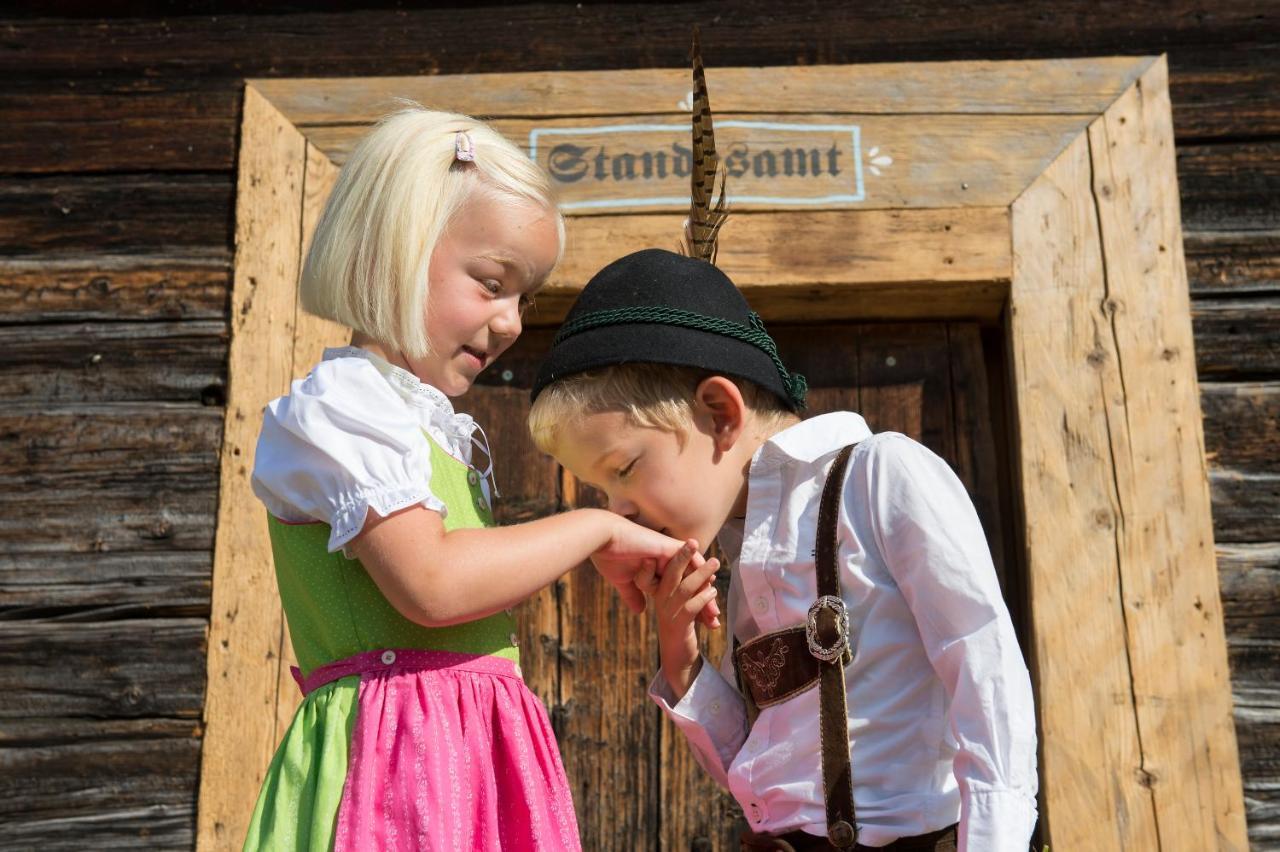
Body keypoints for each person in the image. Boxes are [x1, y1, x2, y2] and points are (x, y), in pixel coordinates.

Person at [243, 108, 709, 851]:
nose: (512, 322)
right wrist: (596, 526)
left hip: (464, 761)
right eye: (492, 284)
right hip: (393, 772)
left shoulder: (424, 429)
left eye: (524, 299)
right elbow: (432, 584)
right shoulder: (341, 409)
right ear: (395, 248)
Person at [527, 247, 1038, 851]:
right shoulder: (746, 552)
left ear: (720, 414)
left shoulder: (881, 477)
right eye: (602, 491)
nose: (620, 510)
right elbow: (764, 783)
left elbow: (982, 663)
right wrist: (682, 661)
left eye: (625, 469)